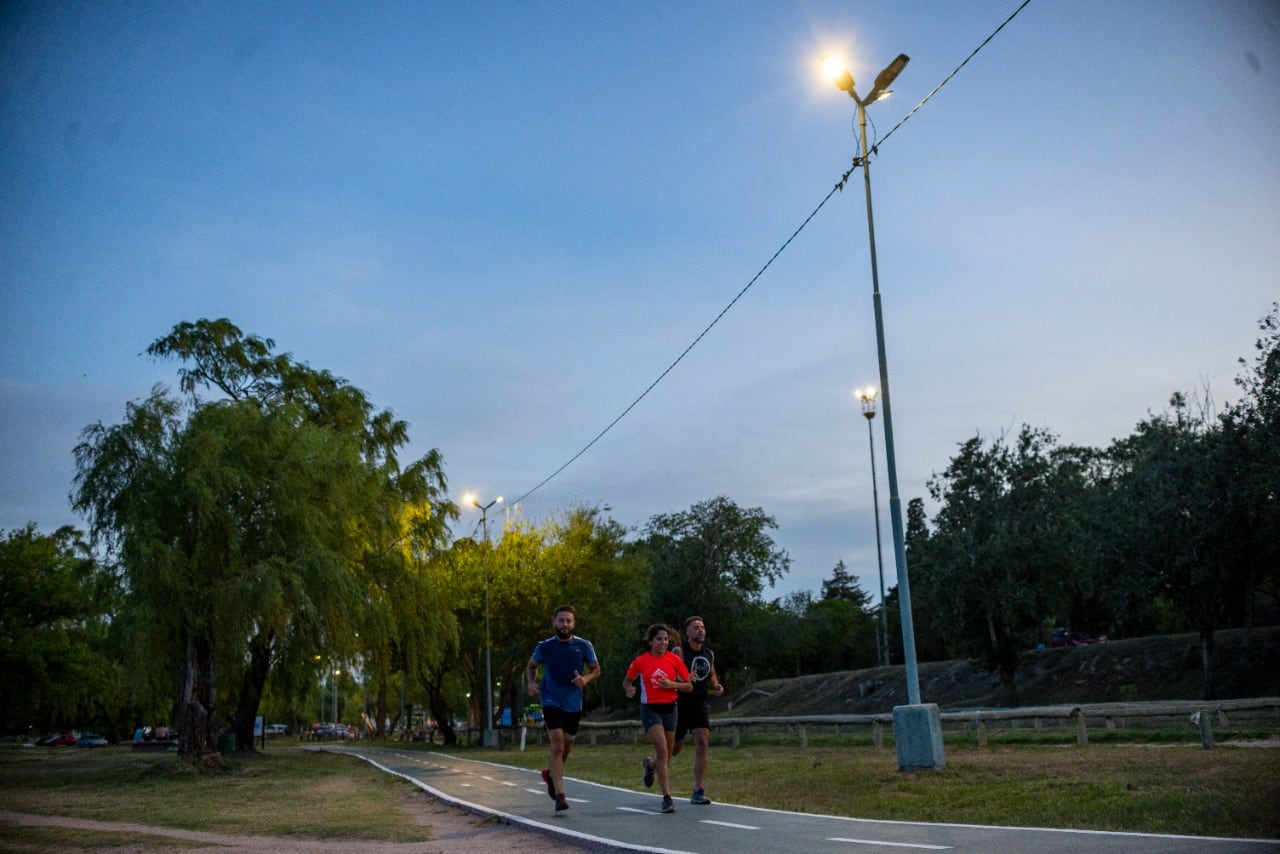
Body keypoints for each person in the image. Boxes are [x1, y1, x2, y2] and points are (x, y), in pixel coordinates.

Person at [526, 604, 601, 812]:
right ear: (554, 623)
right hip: (550, 698)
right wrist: (531, 683)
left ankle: (551, 775)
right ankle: (560, 795)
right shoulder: (545, 646)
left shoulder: (584, 645)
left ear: (573, 623)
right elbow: (532, 665)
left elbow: (596, 670)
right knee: (557, 744)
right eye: (561, 620)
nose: (565, 624)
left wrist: (585, 679)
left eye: (568, 620)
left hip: (573, 702)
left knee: (565, 749)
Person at [622, 623, 692, 814]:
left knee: (667, 756)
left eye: (666, 639)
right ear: (651, 641)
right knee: (662, 749)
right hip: (650, 708)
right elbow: (627, 680)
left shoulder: (674, 660)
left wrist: (671, 684)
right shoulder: (641, 661)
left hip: (670, 708)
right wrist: (629, 689)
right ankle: (667, 798)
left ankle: (650, 765)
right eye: (659, 639)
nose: (663, 642)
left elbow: (688, 686)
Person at [671, 615, 724, 805]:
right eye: (695, 627)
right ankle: (652, 764)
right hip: (679, 702)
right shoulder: (679, 651)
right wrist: (684, 677)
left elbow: (711, 673)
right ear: (687, 633)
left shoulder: (709, 653)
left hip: (699, 703)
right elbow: (670, 672)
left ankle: (698, 790)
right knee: (673, 749)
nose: (700, 630)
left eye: (702, 627)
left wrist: (716, 685)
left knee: (702, 742)